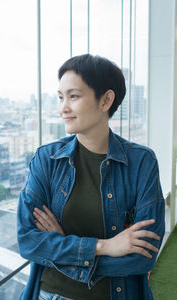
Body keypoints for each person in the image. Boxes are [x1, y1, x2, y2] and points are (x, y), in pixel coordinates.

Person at [17, 54, 165, 300]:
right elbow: (28, 241)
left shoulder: (141, 163)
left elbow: (142, 257)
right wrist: (104, 246)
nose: (63, 107)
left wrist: (63, 247)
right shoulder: (47, 159)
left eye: (73, 96)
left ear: (106, 100)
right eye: (60, 97)